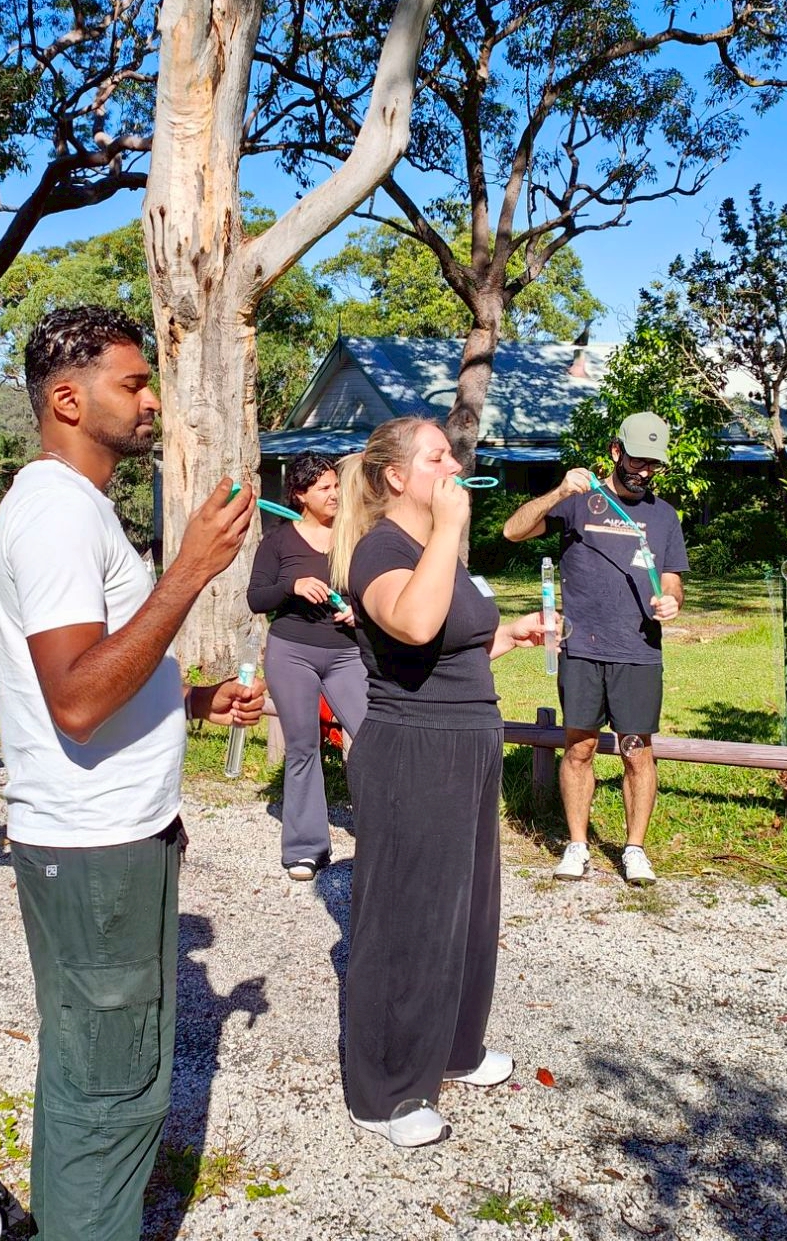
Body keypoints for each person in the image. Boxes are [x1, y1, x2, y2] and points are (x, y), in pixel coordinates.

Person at [0, 305, 266, 1241]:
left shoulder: (77, 509)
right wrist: (186, 573)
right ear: (69, 399)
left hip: (108, 838)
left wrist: (189, 700)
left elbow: (99, 668)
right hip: (94, 845)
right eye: (134, 384)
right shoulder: (57, 512)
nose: (152, 402)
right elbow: (73, 698)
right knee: (112, 1095)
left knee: (98, 1071)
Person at [330, 417, 546, 1149]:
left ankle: (453, 1048)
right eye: (436, 455)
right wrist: (451, 528)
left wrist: (508, 635)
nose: (453, 464)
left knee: (467, 907)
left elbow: (456, 633)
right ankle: (384, 1092)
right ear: (396, 476)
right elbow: (415, 624)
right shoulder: (380, 550)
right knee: (408, 918)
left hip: (469, 740)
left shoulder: (432, 548)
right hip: (413, 750)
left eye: (451, 453)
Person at [502, 412, 688, 884]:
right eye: (637, 461)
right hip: (581, 649)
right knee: (579, 748)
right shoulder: (580, 503)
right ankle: (578, 845)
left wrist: (672, 602)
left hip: (638, 652)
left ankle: (634, 849)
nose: (645, 471)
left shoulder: (663, 516)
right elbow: (513, 530)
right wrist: (561, 491)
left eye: (654, 465)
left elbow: (672, 581)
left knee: (636, 750)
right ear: (614, 451)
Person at [245, 452, 367, 880]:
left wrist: (359, 612)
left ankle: (383, 833)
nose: (335, 494)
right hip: (292, 652)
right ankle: (305, 848)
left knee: (372, 737)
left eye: (336, 485)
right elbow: (257, 598)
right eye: (324, 488)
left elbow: (380, 591)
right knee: (302, 747)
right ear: (300, 495)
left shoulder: (357, 535)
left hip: (348, 653)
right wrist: (291, 586)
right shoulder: (278, 542)